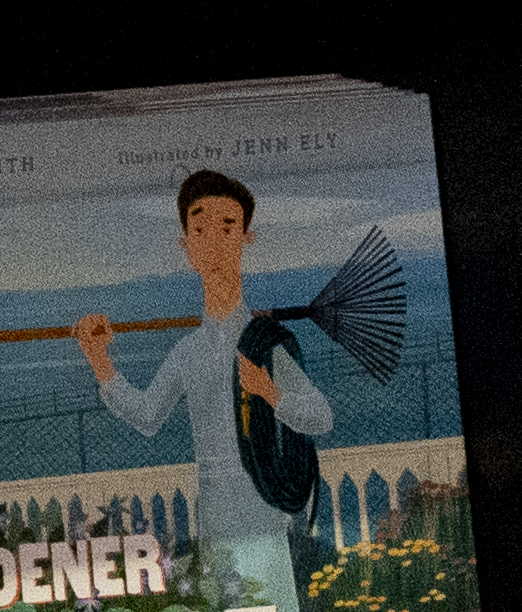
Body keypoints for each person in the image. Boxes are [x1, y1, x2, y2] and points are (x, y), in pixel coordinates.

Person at [75, 163, 338, 590]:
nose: (213, 242)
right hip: (214, 524)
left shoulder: (265, 343)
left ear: (246, 238)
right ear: (186, 245)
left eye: (228, 227)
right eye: (200, 231)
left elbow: (320, 416)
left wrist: (269, 391)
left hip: (264, 519)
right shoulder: (188, 352)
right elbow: (147, 414)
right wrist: (99, 361)